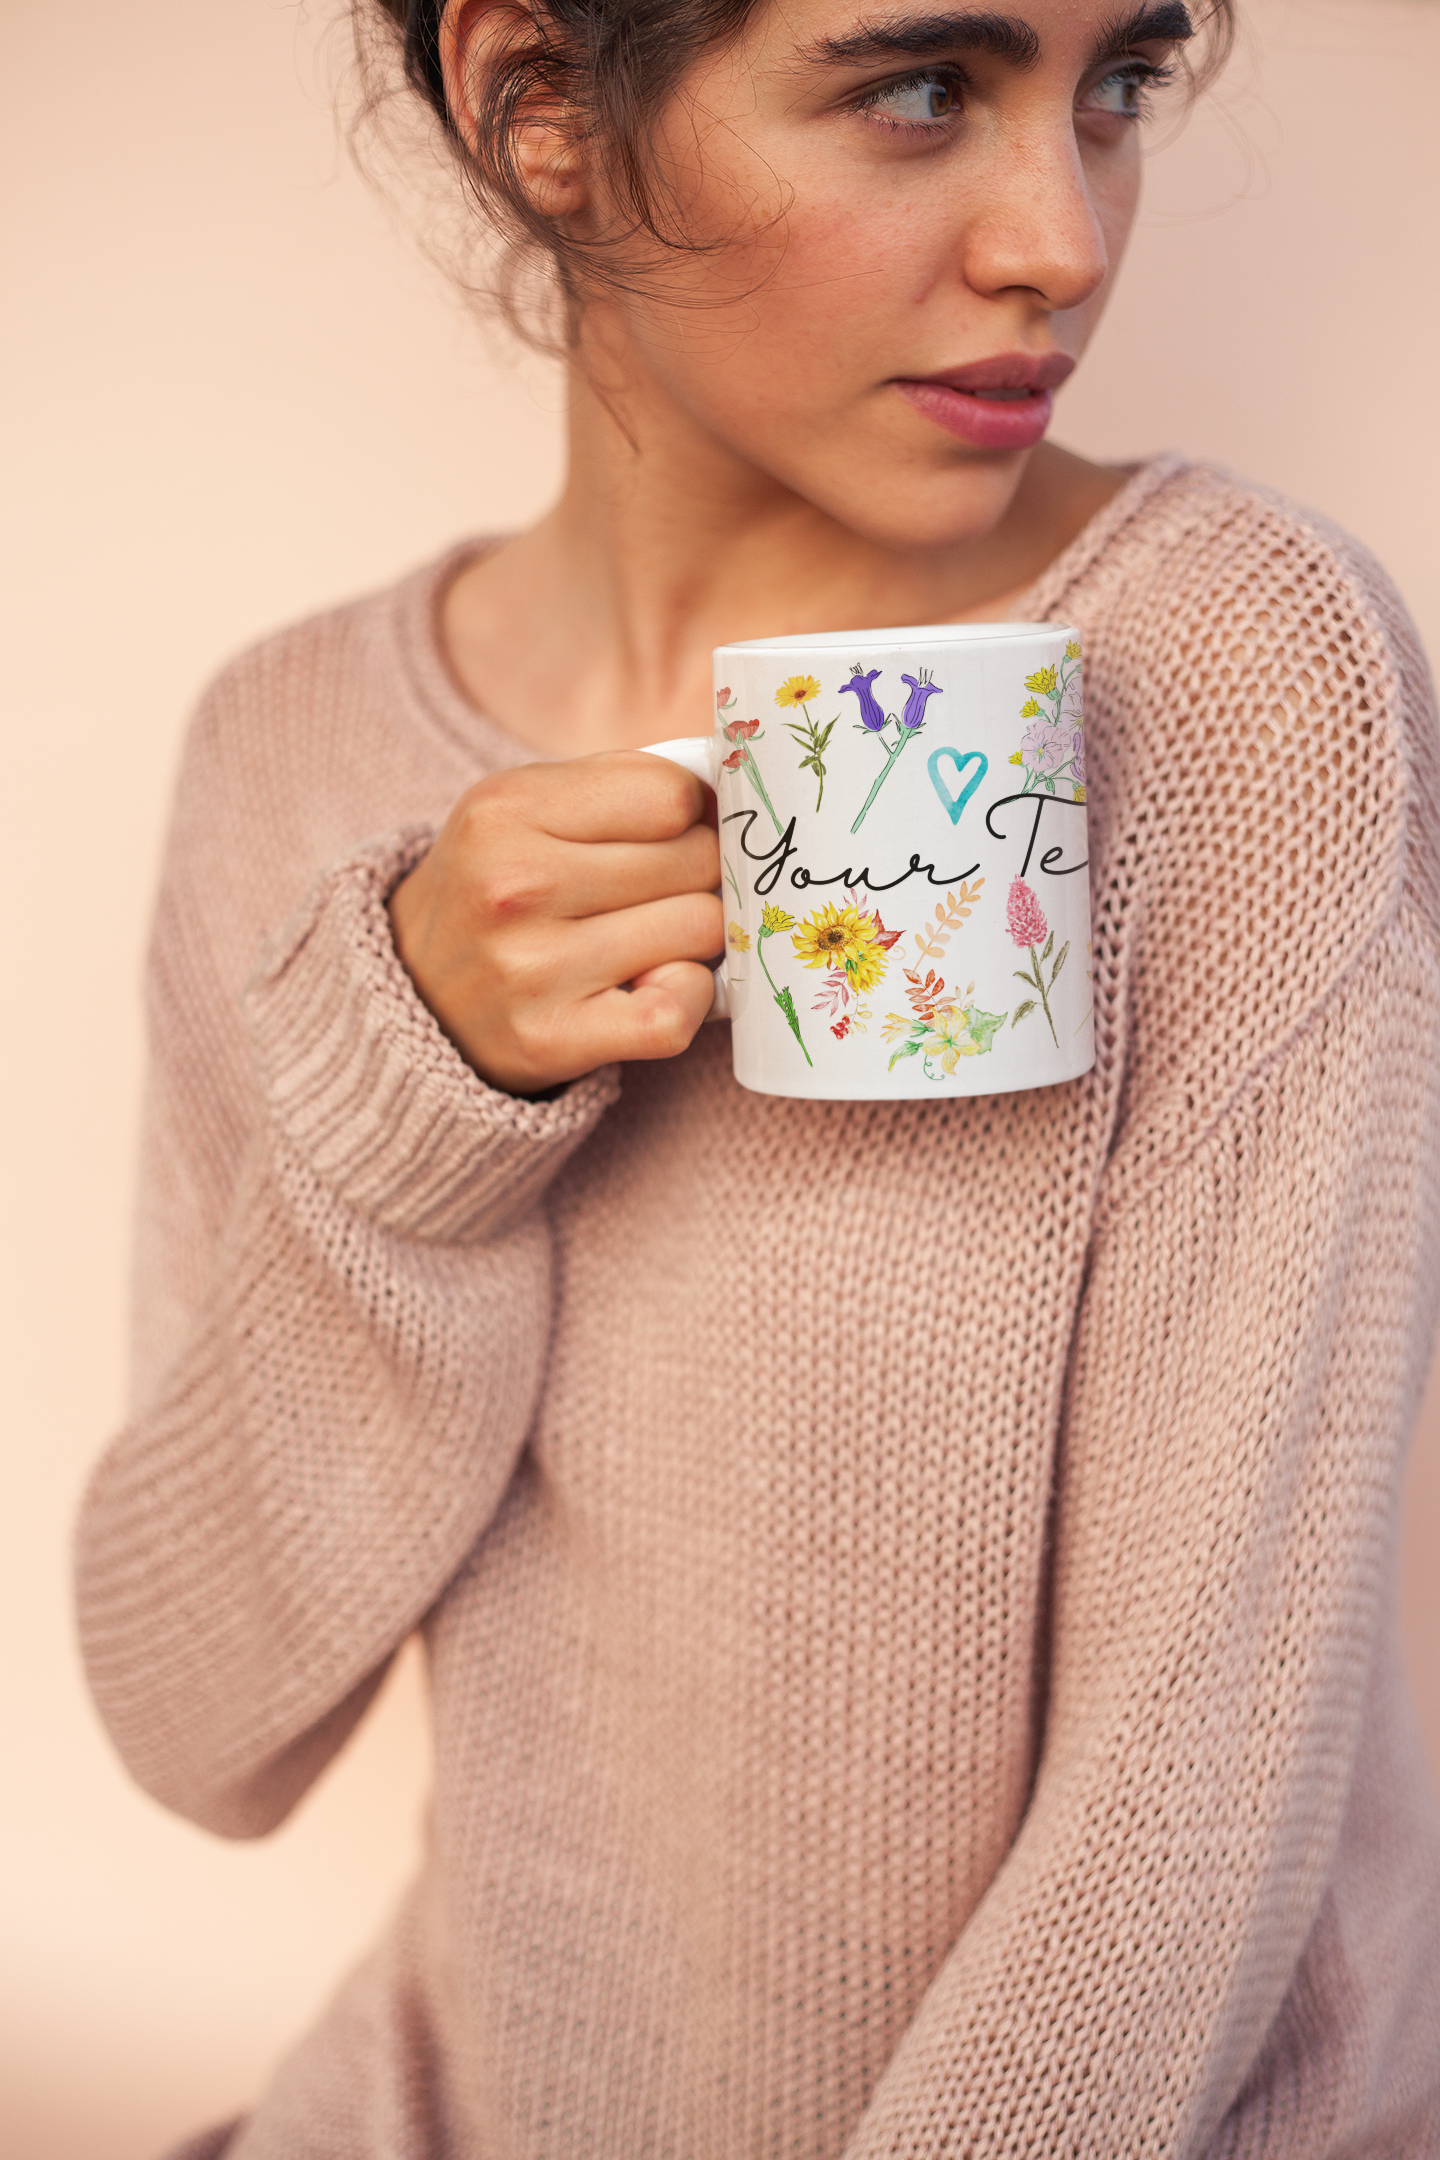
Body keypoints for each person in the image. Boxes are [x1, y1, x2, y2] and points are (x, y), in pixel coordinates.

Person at [76, 1, 1440, 2153]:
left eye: (1122, 84)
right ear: (535, 101)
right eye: (920, 88)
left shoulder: (1237, 670)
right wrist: (409, 1106)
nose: (1062, 239)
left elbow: (1205, 1768)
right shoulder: (291, 750)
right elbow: (193, 1724)